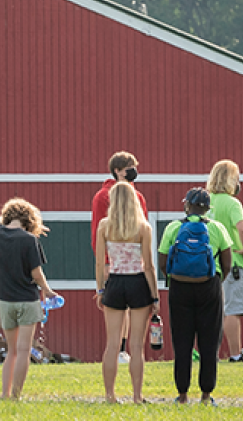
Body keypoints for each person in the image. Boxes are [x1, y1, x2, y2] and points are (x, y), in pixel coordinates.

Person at [158, 187, 235, 405]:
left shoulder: (173, 227)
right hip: (208, 287)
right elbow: (227, 264)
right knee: (209, 342)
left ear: (186, 205)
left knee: (182, 341)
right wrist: (214, 282)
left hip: (179, 288)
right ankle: (206, 394)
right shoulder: (217, 229)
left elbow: (163, 263)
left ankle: (182, 394)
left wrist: (177, 278)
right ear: (207, 209)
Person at [0, 198, 59, 400]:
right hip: (27, 301)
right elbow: (36, 273)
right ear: (29, 220)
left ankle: (4, 393)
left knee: (10, 351)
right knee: (23, 350)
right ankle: (16, 395)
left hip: (5, 301)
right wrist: (47, 290)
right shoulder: (29, 240)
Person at [95, 181, 158, 403]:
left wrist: (100, 289)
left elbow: (100, 263)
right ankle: (137, 396)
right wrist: (155, 295)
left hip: (114, 282)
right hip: (138, 283)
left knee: (112, 344)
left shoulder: (104, 226)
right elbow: (149, 266)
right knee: (136, 345)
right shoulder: (143, 227)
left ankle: (110, 395)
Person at [92, 151, 147, 364]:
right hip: (115, 260)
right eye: (129, 168)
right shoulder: (103, 196)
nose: (133, 172)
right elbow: (97, 229)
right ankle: (119, 348)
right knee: (116, 307)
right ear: (117, 171)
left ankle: (125, 349)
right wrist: (105, 260)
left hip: (134, 261)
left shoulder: (138, 195)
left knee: (132, 307)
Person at [206, 160, 243, 362]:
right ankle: (235, 354)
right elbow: (242, 228)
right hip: (233, 263)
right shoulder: (233, 203)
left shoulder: (206, 201)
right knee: (233, 311)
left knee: (213, 312)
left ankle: (211, 354)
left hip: (210, 264)